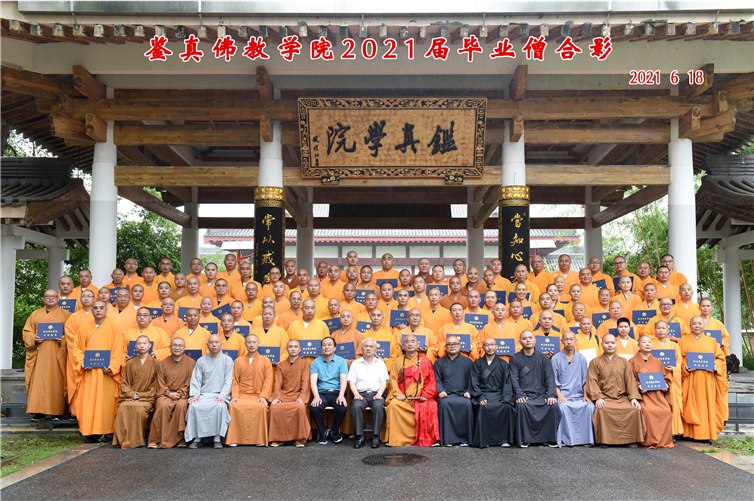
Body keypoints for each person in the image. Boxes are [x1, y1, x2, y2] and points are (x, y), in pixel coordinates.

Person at [74, 300, 124, 442]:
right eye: (95, 308)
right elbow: (77, 349)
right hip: (89, 372)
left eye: (101, 308)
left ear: (106, 310)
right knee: (89, 402)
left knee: (106, 402)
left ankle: (107, 431)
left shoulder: (114, 327)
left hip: (106, 373)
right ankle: (89, 432)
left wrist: (112, 367)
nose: (98, 310)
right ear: (92, 311)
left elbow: (118, 349)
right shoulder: (84, 328)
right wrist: (83, 363)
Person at [585, 334, 646, 446]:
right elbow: (591, 381)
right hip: (605, 398)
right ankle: (605, 440)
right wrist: (598, 397)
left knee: (634, 409)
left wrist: (633, 398)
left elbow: (630, 380)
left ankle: (630, 440)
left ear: (616, 344)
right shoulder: (595, 362)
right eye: (607, 343)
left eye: (612, 343)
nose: (610, 345)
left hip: (622, 398)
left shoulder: (624, 362)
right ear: (602, 344)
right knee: (602, 410)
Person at [23, 289, 71, 421]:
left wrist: (63, 340)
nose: (50, 298)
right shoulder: (35, 314)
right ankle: (38, 411)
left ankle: (56, 412)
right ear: (44, 299)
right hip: (39, 354)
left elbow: (72, 333)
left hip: (57, 354)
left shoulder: (66, 314)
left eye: (53, 296)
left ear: (58, 299)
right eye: (47, 296)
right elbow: (27, 332)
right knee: (38, 381)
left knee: (56, 381)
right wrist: (34, 339)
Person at [679, 316, 728, 443]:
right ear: (690, 326)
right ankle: (687, 433)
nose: (697, 326)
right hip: (690, 378)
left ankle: (705, 434)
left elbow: (720, 358)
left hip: (707, 379)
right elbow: (679, 358)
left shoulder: (712, 341)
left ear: (704, 326)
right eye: (694, 323)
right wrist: (685, 366)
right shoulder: (683, 341)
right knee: (689, 404)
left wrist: (714, 366)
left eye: (700, 323)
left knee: (705, 406)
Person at [384, 335, 440, 446]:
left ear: (418, 344)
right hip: (403, 399)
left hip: (420, 397)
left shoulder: (425, 361)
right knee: (393, 405)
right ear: (403, 346)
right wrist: (398, 394)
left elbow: (431, 381)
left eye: (413, 341)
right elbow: (393, 380)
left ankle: (429, 438)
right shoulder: (397, 361)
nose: (410, 344)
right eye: (407, 342)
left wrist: (425, 395)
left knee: (432, 405)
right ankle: (396, 439)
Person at [509, 330, 561, 447]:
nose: (528, 340)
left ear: (535, 340)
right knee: (521, 406)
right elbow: (513, 378)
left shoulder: (543, 358)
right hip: (524, 395)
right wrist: (519, 394)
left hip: (541, 394)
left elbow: (550, 377)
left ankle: (549, 438)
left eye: (530, 338)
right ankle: (525, 438)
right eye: (524, 338)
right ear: (520, 342)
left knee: (552, 405)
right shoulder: (515, 358)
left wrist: (550, 395)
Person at [185, 334, 234, 449]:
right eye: (211, 342)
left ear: (221, 345)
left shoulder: (227, 360)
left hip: (219, 395)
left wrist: (223, 396)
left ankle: (217, 438)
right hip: (203, 395)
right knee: (194, 406)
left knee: (220, 406)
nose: (214, 345)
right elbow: (196, 380)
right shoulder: (201, 360)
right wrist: (195, 395)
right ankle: (197, 438)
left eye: (216, 342)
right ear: (207, 345)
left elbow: (229, 381)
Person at [226, 334, 274, 447]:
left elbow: (268, 381)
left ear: (258, 344)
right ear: (245, 344)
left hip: (258, 395)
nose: (251, 345)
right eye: (249, 342)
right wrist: (235, 396)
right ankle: (234, 439)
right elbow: (235, 380)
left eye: (254, 342)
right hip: (242, 394)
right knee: (234, 406)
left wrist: (263, 396)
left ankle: (259, 439)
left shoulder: (266, 361)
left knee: (261, 407)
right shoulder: (238, 361)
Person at [147, 337, 196, 448]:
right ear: (170, 347)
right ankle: (156, 438)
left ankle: (180, 438)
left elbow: (190, 382)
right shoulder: (163, 363)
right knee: (162, 406)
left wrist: (180, 393)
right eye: (174, 345)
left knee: (181, 406)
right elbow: (160, 382)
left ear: (184, 348)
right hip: (165, 394)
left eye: (180, 346)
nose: (177, 348)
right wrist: (168, 393)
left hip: (182, 395)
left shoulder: (191, 363)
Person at [468, 338, 516, 448]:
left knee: (506, 407)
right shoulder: (477, 364)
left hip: (499, 394)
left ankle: (504, 440)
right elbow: (474, 382)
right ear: (482, 348)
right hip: (483, 394)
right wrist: (479, 397)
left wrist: (506, 397)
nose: (490, 347)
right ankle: (484, 440)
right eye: (487, 345)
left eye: (492, 344)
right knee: (483, 407)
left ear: (496, 346)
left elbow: (507, 382)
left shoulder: (503, 364)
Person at [112, 335, 158, 449]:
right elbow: (125, 383)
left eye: (144, 343)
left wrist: (141, 395)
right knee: (123, 407)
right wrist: (133, 394)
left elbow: (156, 385)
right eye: (139, 344)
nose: (142, 346)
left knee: (139, 409)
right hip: (131, 397)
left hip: (146, 398)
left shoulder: (156, 363)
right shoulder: (130, 363)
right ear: (135, 346)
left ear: (149, 345)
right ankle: (124, 439)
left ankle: (138, 439)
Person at [551, 330, 595, 447]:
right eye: (566, 339)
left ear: (576, 341)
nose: (569, 342)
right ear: (562, 341)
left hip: (579, 395)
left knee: (590, 407)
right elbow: (554, 381)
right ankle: (565, 439)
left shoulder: (581, 358)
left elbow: (585, 380)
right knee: (562, 407)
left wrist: (586, 395)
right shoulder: (555, 359)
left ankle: (586, 439)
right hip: (563, 394)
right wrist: (559, 396)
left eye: (571, 339)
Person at [629, 335, 673, 449]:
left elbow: (666, 377)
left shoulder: (658, 362)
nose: (647, 344)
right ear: (638, 345)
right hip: (643, 396)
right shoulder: (632, 361)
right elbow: (630, 380)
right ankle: (648, 441)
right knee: (648, 411)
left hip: (657, 395)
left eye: (649, 342)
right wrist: (639, 386)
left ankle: (663, 441)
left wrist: (666, 385)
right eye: (644, 342)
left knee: (666, 411)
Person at [348, 338, 389, 449]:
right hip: (361, 394)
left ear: (375, 349)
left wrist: (379, 394)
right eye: (366, 346)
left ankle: (376, 436)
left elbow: (383, 381)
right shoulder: (355, 364)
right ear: (362, 349)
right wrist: (356, 394)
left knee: (378, 406)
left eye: (371, 346)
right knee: (356, 406)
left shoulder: (380, 363)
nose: (368, 348)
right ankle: (359, 436)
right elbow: (352, 381)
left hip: (376, 393)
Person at [268, 340, 312, 447]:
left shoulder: (305, 364)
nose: (293, 349)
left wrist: (302, 397)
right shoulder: (281, 365)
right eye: (290, 347)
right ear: (286, 349)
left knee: (300, 408)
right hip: (284, 395)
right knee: (274, 408)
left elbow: (305, 382)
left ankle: (299, 438)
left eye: (295, 347)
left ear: (300, 349)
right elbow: (277, 383)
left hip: (297, 395)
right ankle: (278, 437)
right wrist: (277, 397)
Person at [433, 335, 474, 447]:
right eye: (449, 344)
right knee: (445, 404)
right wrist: (440, 391)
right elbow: (436, 379)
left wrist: (469, 391)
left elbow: (473, 379)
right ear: (445, 347)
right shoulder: (439, 362)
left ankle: (465, 439)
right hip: (446, 394)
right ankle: (447, 439)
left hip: (463, 394)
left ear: (460, 346)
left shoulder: (468, 361)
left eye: (455, 344)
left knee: (467, 404)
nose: (452, 346)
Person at [308, 336, 349, 444]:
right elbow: (313, 381)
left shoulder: (341, 361)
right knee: (314, 408)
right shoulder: (316, 362)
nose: (326, 347)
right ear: (321, 348)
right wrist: (316, 396)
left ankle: (334, 431)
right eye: (324, 345)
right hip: (321, 393)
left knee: (342, 408)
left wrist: (341, 395)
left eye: (329, 345)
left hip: (337, 392)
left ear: (334, 348)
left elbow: (343, 380)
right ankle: (323, 432)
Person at [64, 289, 96, 418]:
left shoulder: (99, 315)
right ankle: (75, 410)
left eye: (89, 296)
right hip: (77, 354)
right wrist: (82, 343)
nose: (86, 298)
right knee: (75, 380)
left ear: (94, 299)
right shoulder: (73, 317)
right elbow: (68, 334)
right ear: (80, 299)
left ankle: (91, 410)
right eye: (84, 296)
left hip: (94, 353)